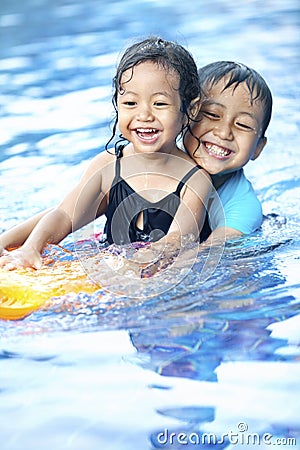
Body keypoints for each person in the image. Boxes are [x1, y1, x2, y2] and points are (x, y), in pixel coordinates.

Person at [0, 37, 211, 270]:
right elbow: (65, 214)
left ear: (189, 109)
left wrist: (130, 265)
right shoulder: (107, 167)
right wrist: (31, 248)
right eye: (130, 103)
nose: (144, 115)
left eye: (159, 104)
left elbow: (176, 242)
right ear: (117, 104)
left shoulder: (195, 181)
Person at [184, 60, 273, 243]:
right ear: (184, 116)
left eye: (243, 125)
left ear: (258, 148)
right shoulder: (156, 163)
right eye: (212, 115)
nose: (224, 133)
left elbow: (207, 257)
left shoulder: (244, 208)